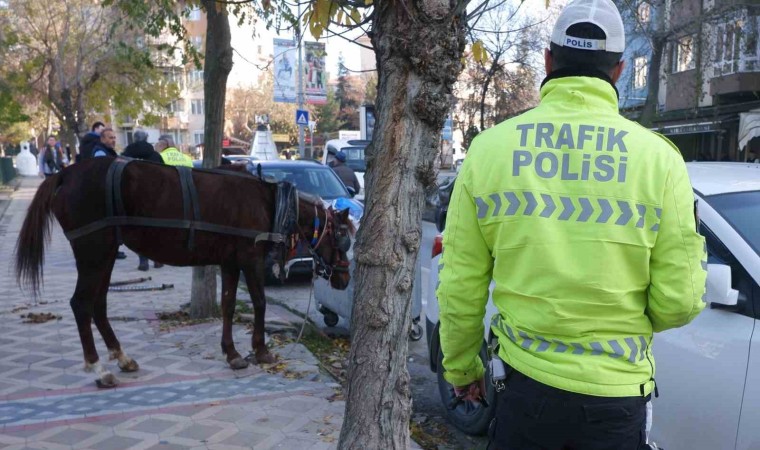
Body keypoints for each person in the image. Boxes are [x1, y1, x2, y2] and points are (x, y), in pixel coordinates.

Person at [437, 1, 707, 449]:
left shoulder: (489, 150)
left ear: (548, 60)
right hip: (617, 402)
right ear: (619, 71)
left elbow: (460, 283)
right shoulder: (660, 160)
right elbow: (679, 302)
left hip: (523, 393)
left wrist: (463, 369)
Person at [122, 130, 164, 271]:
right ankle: (157, 259)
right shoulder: (155, 156)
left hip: (133, 198)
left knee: (138, 230)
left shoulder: (125, 156)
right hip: (154, 197)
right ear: (146, 139)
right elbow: (165, 175)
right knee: (155, 229)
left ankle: (143, 261)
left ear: (134, 139)